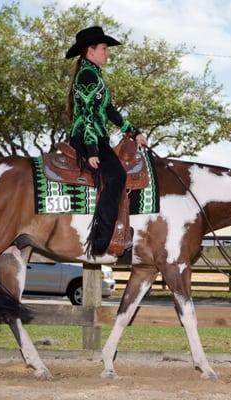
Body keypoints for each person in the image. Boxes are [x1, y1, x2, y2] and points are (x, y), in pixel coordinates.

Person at [65, 26, 148, 257]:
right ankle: (101, 240)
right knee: (117, 176)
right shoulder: (88, 76)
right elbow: (88, 114)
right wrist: (91, 149)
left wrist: (134, 132)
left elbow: (110, 111)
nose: (106, 53)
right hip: (87, 137)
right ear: (89, 51)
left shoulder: (95, 74)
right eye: (103, 48)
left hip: (96, 137)